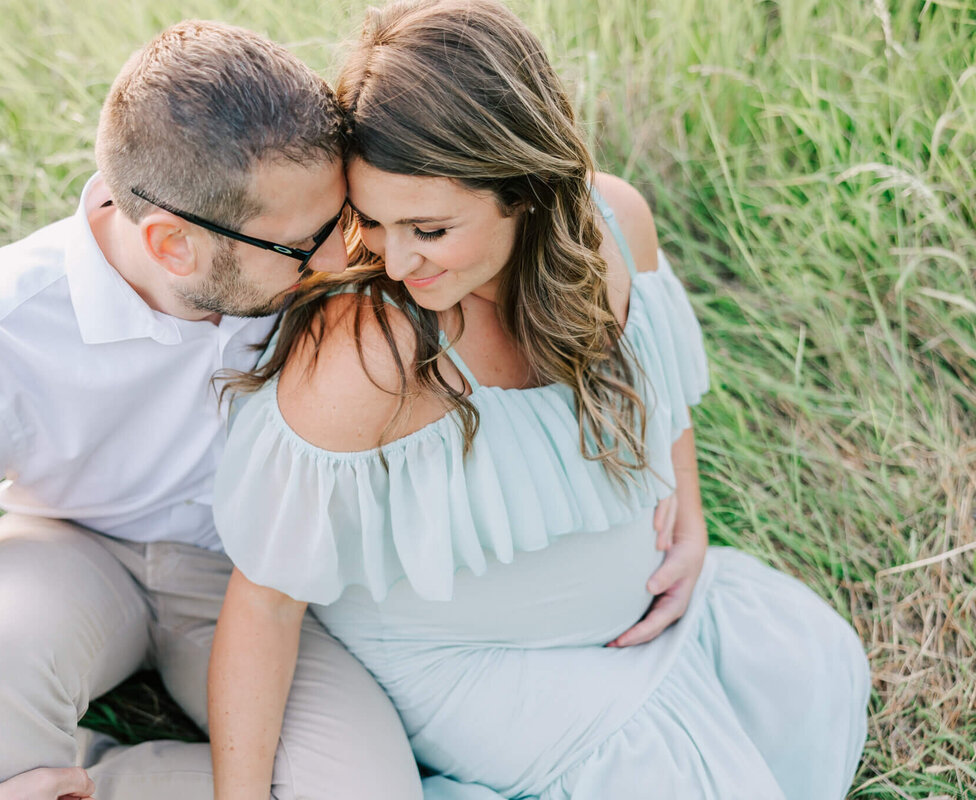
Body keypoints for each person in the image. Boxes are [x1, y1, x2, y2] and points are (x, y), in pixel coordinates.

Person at [208, 1, 872, 798]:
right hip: (469, 663)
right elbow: (266, 606)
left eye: (429, 228)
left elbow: (663, 388)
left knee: (807, 669)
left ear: (523, 189)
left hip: (634, 619)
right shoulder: (376, 354)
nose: (394, 261)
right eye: (374, 224)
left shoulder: (616, 224)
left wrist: (686, 517)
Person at [0, 21, 424, 800]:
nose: (338, 260)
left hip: (259, 577)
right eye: (304, 243)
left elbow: (574, 207)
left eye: (341, 220)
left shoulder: (325, 256)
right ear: (173, 245)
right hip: (70, 549)